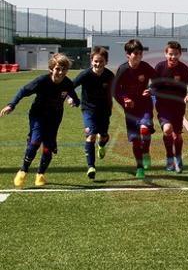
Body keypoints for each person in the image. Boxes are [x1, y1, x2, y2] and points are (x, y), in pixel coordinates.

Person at [1, 54, 80, 187]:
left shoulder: (67, 84)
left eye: (64, 69)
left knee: (49, 147)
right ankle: (23, 171)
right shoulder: (42, 81)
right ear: (51, 69)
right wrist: (11, 105)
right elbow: (23, 91)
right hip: (38, 115)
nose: (60, 72)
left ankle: (40, 174)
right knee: (35, 141)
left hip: (54, 118)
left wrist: (73, 101)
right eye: (58, 69)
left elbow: (76, 100)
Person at [113, 39, 157, 179]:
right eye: (135, 53)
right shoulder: (123, 69)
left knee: (144, 129)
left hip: (144, 105)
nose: (138, 56)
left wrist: (150, 89)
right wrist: (124, 100)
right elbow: (115, 90)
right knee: (136, 139)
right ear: (128, 54)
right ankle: (139, 168)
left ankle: (146, 152)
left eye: (140, 53)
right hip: (130, 110)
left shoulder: (145, 67)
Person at [72, 46, 115, 180]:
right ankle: (91, 166)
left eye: (101, 61)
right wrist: (71, 98)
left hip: (105, 110)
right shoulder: (85, 74)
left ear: (106, 62)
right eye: (95, 61)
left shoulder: (109, 75)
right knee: (91, 135)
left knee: (103, 136)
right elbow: (69, 86)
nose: (98, 64)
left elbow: (116, 91)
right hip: (88, 109)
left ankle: (102, 144)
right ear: (91, 61)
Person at [152, 41, 188, 173]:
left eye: (176, 54)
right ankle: (170, 157)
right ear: (166, 54)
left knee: (177, 136)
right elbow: (153, 86)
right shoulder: (159, 68)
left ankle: (178, 158)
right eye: (170, 54)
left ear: (180, 54)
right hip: (163, 106)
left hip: (178, 107)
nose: (173, 57)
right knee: (167, 129)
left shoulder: (184, 69)